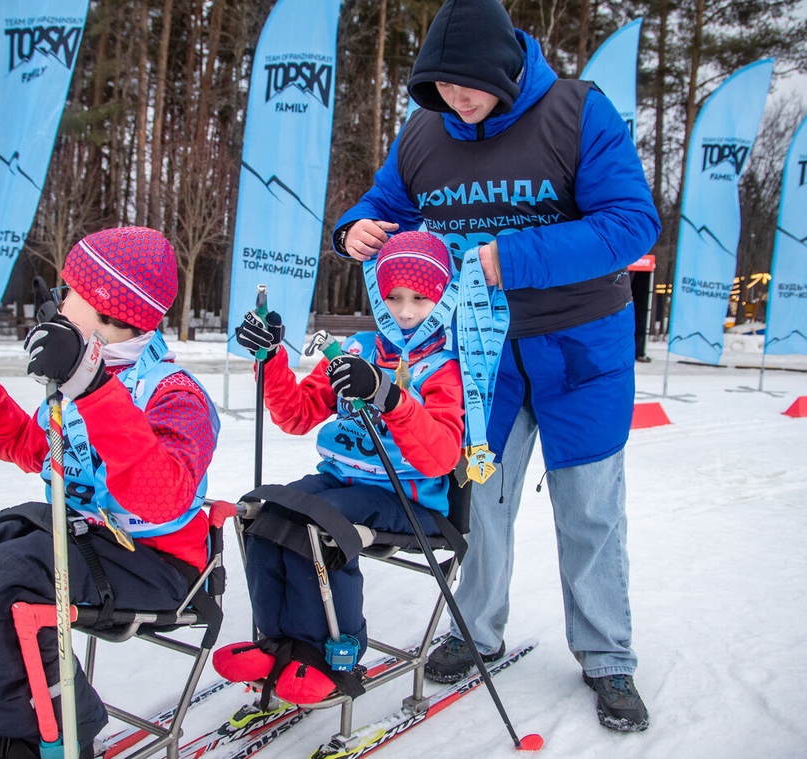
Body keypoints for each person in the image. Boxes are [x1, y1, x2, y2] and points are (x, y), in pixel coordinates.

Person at [332, 0, 661, 733]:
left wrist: (509, 257)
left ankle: (608, 656)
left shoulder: (578, 113)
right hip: (481, 349)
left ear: (508, 67)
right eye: (443, 87)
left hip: (582, 345)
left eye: (471, 85)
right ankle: (475, 630)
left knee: (588, 509)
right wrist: (356, 227)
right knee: (481, 498)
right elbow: (385, 203)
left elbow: (632, 224)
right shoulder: (422, 134)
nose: (458, 99)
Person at [0, 227, 219, 758]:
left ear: (108, 310)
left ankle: (54, 734)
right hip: (80, 533)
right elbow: (41, 450)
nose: (57, 303)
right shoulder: (83, 379)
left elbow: (161, 497)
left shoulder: (172, 393)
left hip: (156, 560)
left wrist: (92, 389)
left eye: (69, 292)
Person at [213, 230, 464, 706]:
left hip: (404, 494)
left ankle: (331, 656)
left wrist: (390, 397)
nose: (405, 311)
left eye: (419, 298)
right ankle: (277, 643)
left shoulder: (443, 367)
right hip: (341, 478)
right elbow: (296, 415)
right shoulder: (360, 350)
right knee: (266, 515)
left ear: (442, 297)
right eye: (393, 296)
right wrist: (271, 359)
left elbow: (442, 457)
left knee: (317, 527)